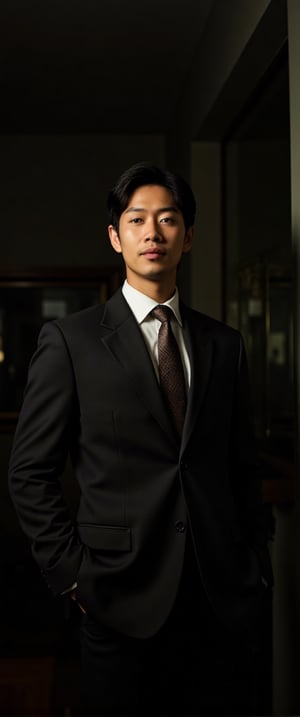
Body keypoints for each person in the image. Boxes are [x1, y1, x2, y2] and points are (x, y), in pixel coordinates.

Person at [8, 162, 273, 716]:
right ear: (116, 236)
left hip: (220, 596)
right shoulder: (71, 341)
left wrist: (256, 563)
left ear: (189, 236)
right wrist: (74, 578)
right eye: (137, 220)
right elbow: (30, 472)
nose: (153, 232)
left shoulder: (224, 344)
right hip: (117, 598)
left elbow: (241, 464)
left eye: (169, 219)